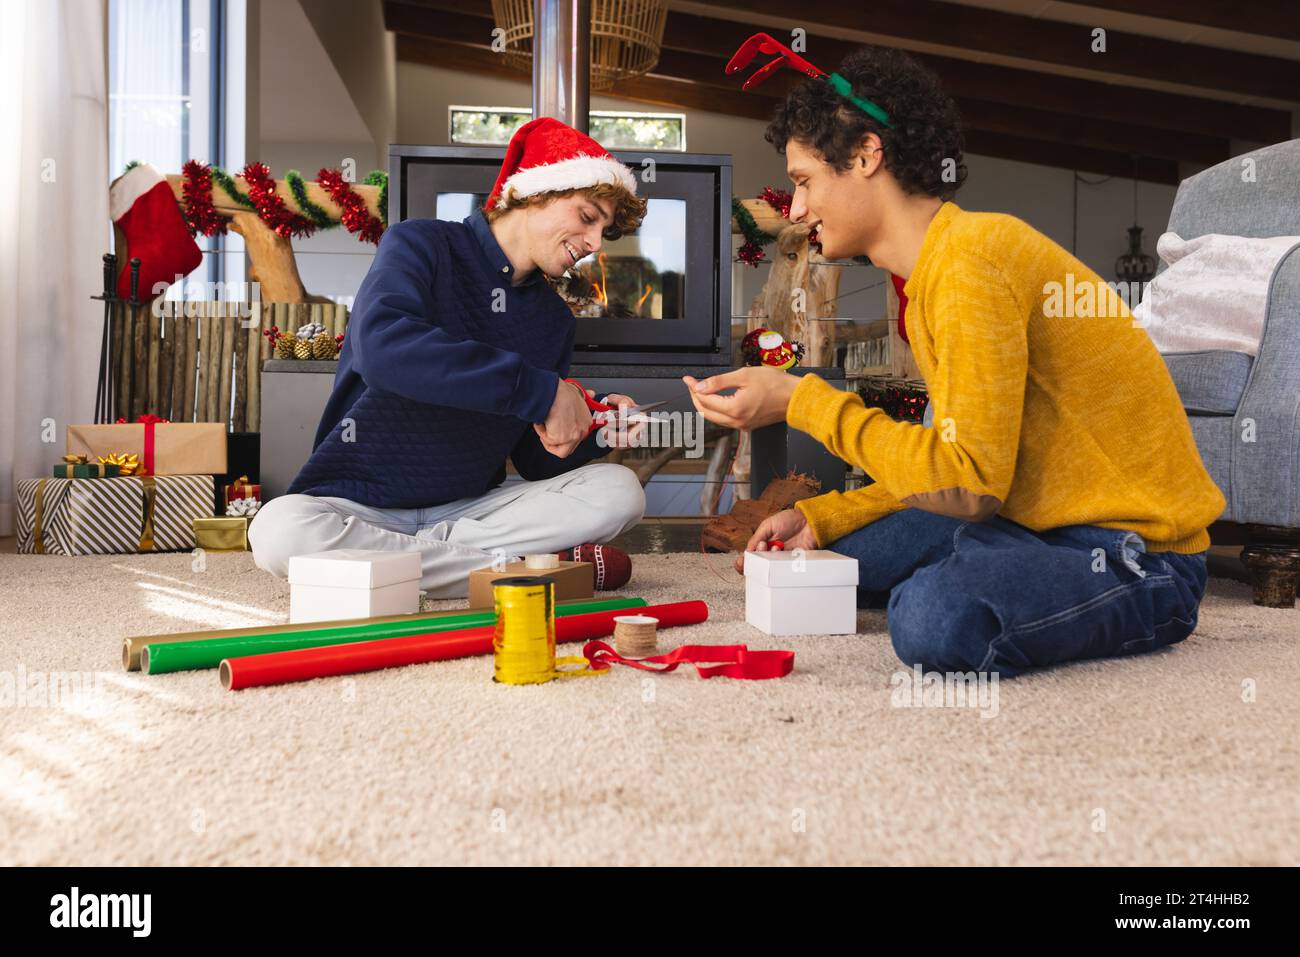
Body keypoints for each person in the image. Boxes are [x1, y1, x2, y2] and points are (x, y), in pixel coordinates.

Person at [686, 45, 1225, 677]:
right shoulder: (933, 279)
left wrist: (799, 400)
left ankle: (1062, 588)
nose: (797, 210)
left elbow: (967, 484)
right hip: (1028, 520)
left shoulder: (972, 264)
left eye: (804, 181)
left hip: (1136, 552)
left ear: (865, 156)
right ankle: (986, 563)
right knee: (832, 555)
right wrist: (818, 515)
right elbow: (949, 459)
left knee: (934, 617)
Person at [250, 118, 649, 599]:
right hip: (357, 505)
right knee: (278, 531)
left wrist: (591, 428)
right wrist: (541, 392)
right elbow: (384, 350)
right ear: (534, 193)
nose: (595, 244)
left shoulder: (553, 320)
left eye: (604, 230)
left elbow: (533, 459)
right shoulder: (420, 244)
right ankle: (491, 567)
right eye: (588, 217)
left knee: (619, 491)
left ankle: (416, 559)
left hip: (471, 510)